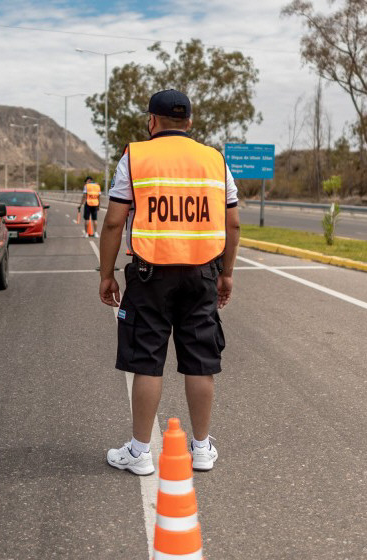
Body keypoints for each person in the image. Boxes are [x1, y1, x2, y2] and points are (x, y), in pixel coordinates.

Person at [98, 89, 241, 475]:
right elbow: (233, 222)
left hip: (150, 274)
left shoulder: (136, 156)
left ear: (152, 121)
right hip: (203, 275)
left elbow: (114, 221)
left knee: (147, 361)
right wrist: (226, 273)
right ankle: (201, 449)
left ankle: (141, 452)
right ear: (190, 123)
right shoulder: (215, 160)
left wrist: (106, 273)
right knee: (200, 362)